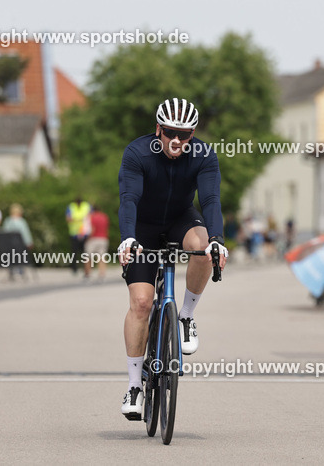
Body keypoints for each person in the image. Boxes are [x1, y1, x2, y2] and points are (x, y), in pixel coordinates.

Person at [117, 97, 228, 419]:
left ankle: (186, 317)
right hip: (142, 227)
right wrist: (128, 238)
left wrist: (218, 240)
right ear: (158, 130)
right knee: (140, 303)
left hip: (180, 218)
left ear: (192, 134)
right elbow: (129, 198)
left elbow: (210, 198)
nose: (177, 140)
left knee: (204, 249)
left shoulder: (203, 155)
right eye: (169, 132)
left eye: (185, 134)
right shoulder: (137, 153)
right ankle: (135, 385)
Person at [2, 203, 35, 279]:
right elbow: (26, 234)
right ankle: (20, 269)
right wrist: (29, 243)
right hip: (20, 247)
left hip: (9, 247)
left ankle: (11, 269)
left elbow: (4, 233)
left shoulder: (7, 221)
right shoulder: (21, 221)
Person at [66, 196, 92, 275]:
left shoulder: (86, 206)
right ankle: (74, 268)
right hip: (74, 233)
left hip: (85, 233)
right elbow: (68, 219)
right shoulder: (71, 206)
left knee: (85, 252)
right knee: (74, 252)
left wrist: (76, 220)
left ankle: (86, 269)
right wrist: (79, 220)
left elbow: (91, 217)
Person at [84, 204, 110, 281]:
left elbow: (92, 229)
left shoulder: (92, 217)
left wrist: (87, 238)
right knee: (102, 257)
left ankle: (87, 273)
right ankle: (102, 274)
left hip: (93, 238)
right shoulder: (104, 216)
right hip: (104, 238)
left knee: (88, 257)